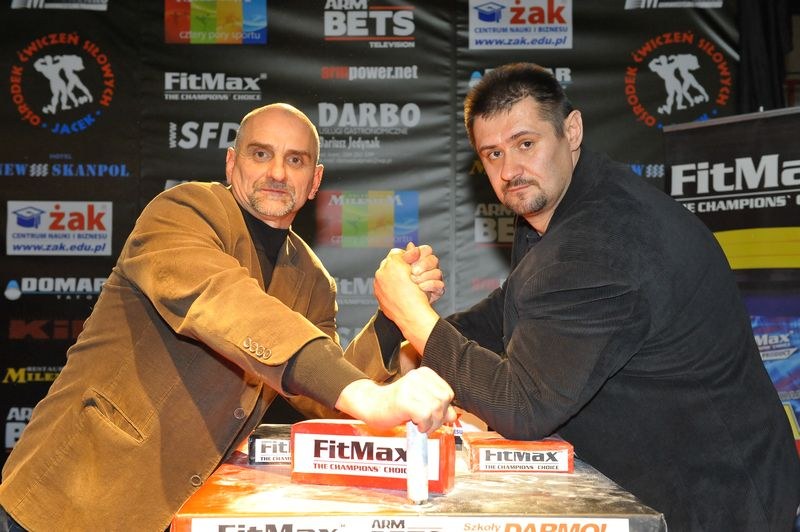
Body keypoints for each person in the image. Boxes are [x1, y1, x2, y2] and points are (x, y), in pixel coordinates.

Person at [373, 63, 800, 531]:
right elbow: (511, 313)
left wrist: (413, 316)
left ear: (571, 131)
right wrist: (412, 339)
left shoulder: (600, 240)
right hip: (663, 485)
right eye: (493, 154)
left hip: (719, 503)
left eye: (525, 143)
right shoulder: (559, 206)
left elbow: (522, 407)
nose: (510, 171)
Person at [0, 103, 455, 531]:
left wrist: (394, 314)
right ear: (231, 162)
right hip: (72, 498)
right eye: (261, 154)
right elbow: (226, 302)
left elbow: (324, 396)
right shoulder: (182, 211)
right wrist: (370, 398)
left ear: (315, 181)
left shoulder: (313, 278)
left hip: (182, 511)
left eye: (295, 160)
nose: (278, 173)